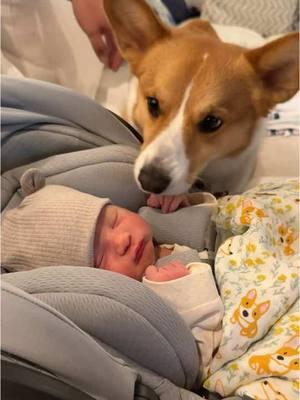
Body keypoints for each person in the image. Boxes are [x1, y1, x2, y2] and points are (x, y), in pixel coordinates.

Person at [1, 168, 223, 378]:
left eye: (114, 220)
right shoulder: (145, 308)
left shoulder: (155, 220)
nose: (121, 240)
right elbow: (208, 359)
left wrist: (183, 205)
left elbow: (219, 222)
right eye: (100, 258)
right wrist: (182, 291)